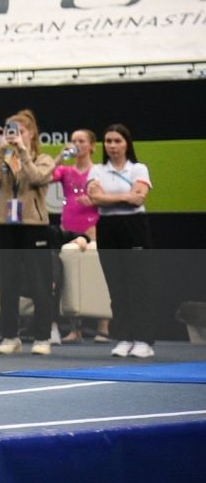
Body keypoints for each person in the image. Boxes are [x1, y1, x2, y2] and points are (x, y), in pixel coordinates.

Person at [0, 109, 57, 356]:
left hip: (33, 226)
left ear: (32, 133)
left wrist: (23, 153)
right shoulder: (3, 157)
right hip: (5, 226)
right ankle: (9, 335)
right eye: (10, 131)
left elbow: (38, 178)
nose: (15, 136)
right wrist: (1, 150)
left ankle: (42, 337)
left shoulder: (43, 158)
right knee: (7, 283)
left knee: (39, 284)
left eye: (20, 131)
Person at [87, 123, 156, 359]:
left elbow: (139, 199)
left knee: (138, 284)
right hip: (108, 228)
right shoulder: (97, 170)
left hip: (134, 227)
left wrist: (107, 197)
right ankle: (124, 337)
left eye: (117, 141)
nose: (113, 146)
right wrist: (123, 197)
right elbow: (94, 196)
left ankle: (143, 339)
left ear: (127, 143)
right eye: (108, 141)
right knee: (116, 285)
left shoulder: (138, 169)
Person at [51, 128, 109, 343]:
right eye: (73, 141)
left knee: (98, 275)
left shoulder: (100, 171)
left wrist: (94, 200)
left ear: (92, 146)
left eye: (81, 141)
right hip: (68, 228)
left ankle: (104, 326)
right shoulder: (66, 171)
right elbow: (46, 176)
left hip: (93, 227)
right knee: (70, 277)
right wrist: (60, 156)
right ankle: (75, 328)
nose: (77, 145)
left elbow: (108, 196)